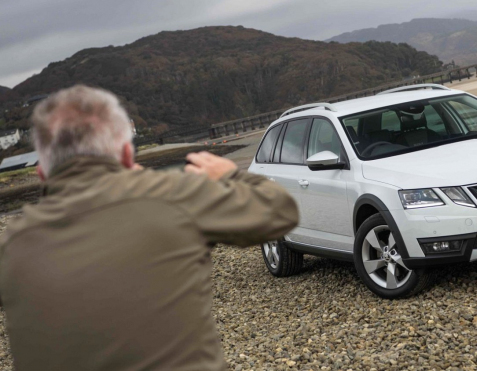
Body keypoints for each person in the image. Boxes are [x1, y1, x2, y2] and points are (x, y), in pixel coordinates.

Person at [0, 85, 299, 370]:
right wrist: (230, 175)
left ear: (41, 173)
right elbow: (280, 212)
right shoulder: (172, 196)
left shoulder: (12, 246)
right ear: (128, 155)